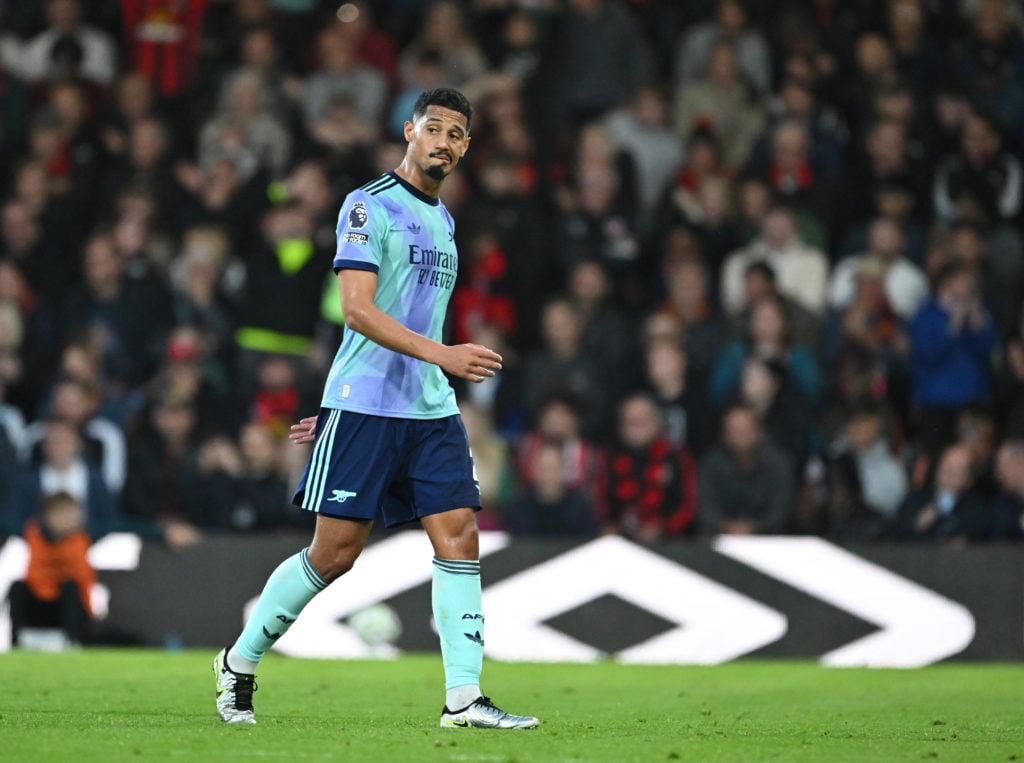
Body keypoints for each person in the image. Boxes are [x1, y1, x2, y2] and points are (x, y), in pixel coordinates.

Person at [212, 88, 539, 730]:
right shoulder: (367, 205)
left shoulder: (444, 220)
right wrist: (441, 356)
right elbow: (357, 310)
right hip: (366, 404)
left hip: (429, 408)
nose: (444, 141)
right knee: (334, 554)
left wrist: (435, 371)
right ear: (410, 131)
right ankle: (239, 661)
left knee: (460, 536)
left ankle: (464, 699)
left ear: (466, 148)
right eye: (434, 128)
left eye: (457, 134)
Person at [8, 491, 96, 649]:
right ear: (50, 516)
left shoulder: (80, 540)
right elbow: (34, 574)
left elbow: (83, 580)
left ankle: (72, 641)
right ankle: (17, 641)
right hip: (41, 602)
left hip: (70, 608)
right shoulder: (34, 536)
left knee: (70, 587)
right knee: (17, 587)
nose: (72, 520)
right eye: (66, 514)